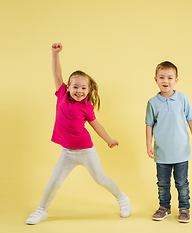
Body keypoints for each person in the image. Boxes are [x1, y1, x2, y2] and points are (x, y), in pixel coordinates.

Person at [26, 43, 131, 225]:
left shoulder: (87, 107)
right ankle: (42, 210)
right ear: (68, 87)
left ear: (89, 91)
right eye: (75, 87)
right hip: (67, 153)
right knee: (54, 181)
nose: (79, 91)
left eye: (83, 88)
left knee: (101, 179)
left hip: (86, 151)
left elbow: (96, 125)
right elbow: (57, 74)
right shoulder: (61, 95)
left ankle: (122, 198)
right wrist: (55, 54)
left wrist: (109, 139)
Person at [145, 61, 192, 223]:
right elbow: (149, 124)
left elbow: (191, 119)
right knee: (163, 184)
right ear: (155, 79)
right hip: (162, 152)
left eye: (170, 77)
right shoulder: (152, 103)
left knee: (182, 183)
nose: (165, 81)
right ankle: (164, 207)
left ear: (176, 80)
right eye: (162, 77)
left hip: (181, 151)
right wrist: (148, 144)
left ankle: (184, 208)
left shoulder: (183, 99)